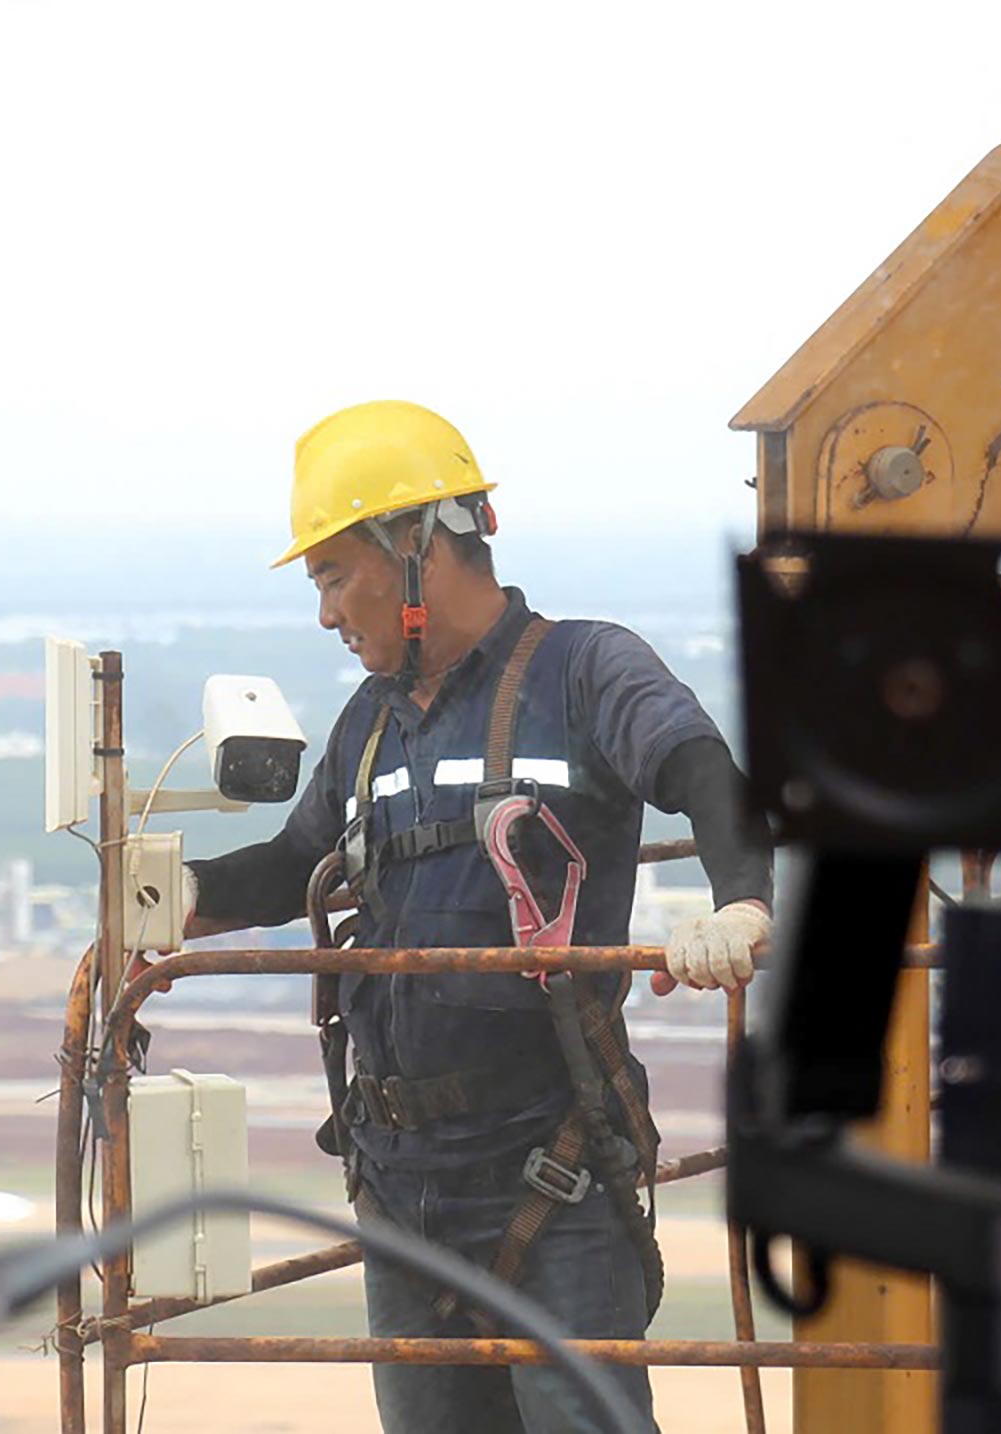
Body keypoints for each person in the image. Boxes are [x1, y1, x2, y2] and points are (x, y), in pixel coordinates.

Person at [182, 399, 774, 1434]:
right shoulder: (370, 727)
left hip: (548, 1170)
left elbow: (699, 771)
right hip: (400, 1177)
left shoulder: (581, 672)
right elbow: (294, 865)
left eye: (331, 574)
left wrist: (741, 906)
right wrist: (170, 899)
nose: (324, 612)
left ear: (413, 545)